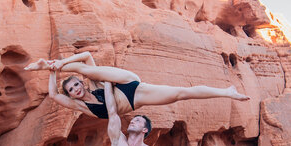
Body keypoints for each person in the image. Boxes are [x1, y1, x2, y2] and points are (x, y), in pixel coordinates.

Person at [25, 51, 250, 119]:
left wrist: (55, 67)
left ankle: (53, 64)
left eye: (76, 85)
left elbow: (86, 56)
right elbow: (54, 95)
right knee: (180, 95)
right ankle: (53, 67)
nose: (76, 89)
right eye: (72, 89)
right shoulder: (81, 107)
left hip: (126, 84)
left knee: (86, 68)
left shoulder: (92, 82)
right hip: (135, 100)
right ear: (71, 95)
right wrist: (53, 76)